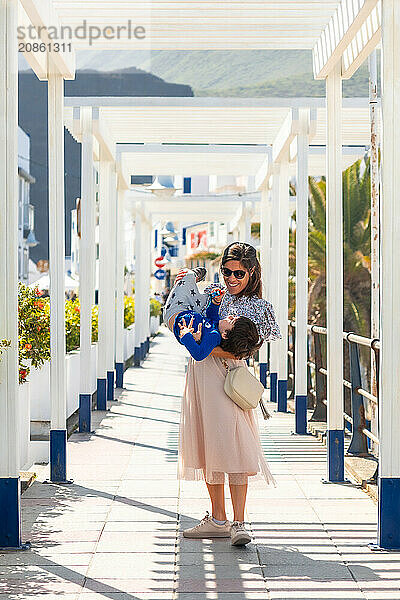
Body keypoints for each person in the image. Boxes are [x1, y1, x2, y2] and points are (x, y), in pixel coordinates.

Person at [177, 242, 281, 546]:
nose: (231, 278)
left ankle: (239, 521)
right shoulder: (211, 294)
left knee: (235, 445)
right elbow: (183, 320)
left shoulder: (260, 307)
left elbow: (248, 347)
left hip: (230, 379)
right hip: (201, 378)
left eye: (239, 273)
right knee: (208, 444)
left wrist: (206, 346)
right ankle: (219, 518)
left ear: (252, 272)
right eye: (226, 271)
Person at [163, 268, 261, 361]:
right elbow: (211, 315)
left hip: (175, 312)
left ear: (225, 335)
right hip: (189, 311)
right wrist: (216, 302)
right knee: (207, 298)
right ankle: (184, 284)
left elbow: (199, 355)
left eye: (231, 320)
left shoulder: (213, 336)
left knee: (188, 275)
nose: (230, 316)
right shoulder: (216, 326)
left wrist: (186, 335)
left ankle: (190, 279)